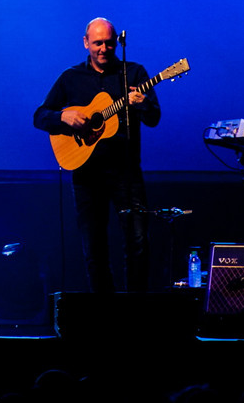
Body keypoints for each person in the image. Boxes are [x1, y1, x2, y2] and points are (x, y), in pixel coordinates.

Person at [33, 18, 161, 293]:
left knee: (138, 243)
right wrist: (62, 115)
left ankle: (134, 312)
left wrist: (141, 104)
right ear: (85, 43)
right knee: (94, 249)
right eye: (97, 43)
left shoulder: (134, 73)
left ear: (117, 42)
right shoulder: (71, 78)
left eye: (109, 43)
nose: (104, 48)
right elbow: (40, 116)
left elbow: (154, 118)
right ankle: (104, 314)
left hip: (126, 172)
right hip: (86, 175)